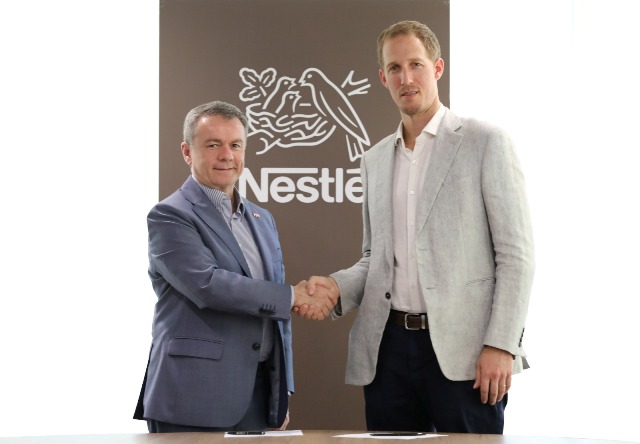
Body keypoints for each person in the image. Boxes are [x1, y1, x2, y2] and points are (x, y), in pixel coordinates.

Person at [302, 20, 535, 434]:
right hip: (387, 352)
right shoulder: (374, 160)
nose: (405, 78)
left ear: (437, 68)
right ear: (383, 78)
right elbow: (375, 258)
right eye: (394, 68)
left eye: (416, 65)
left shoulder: (485, 142)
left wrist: (501, 344)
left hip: (466, 354)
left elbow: (516, 257)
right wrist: (336, 287)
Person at [133, 101, 335, 433]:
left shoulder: (262, 218)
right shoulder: (170, 215)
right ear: (187, 152)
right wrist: (292, 296)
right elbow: (208, 285)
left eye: (235, 145)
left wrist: (282, 390)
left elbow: (277, 314)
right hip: (192, 396)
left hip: (258, 394)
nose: (227, 155)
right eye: (213, 145)